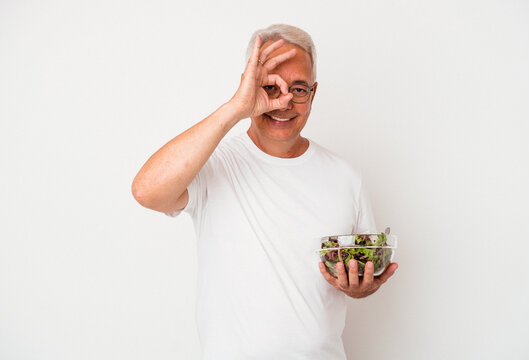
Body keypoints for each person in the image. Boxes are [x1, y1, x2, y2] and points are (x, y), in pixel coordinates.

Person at [132, 24, 398, 360]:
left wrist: (362, 287)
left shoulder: (347, 178)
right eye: (270, 87)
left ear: (313, 94)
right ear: (249, 85)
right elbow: (146, 191)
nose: (284, 101)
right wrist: (237, 107)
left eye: (298, 89)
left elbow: (361, 270)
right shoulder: (215, 164)